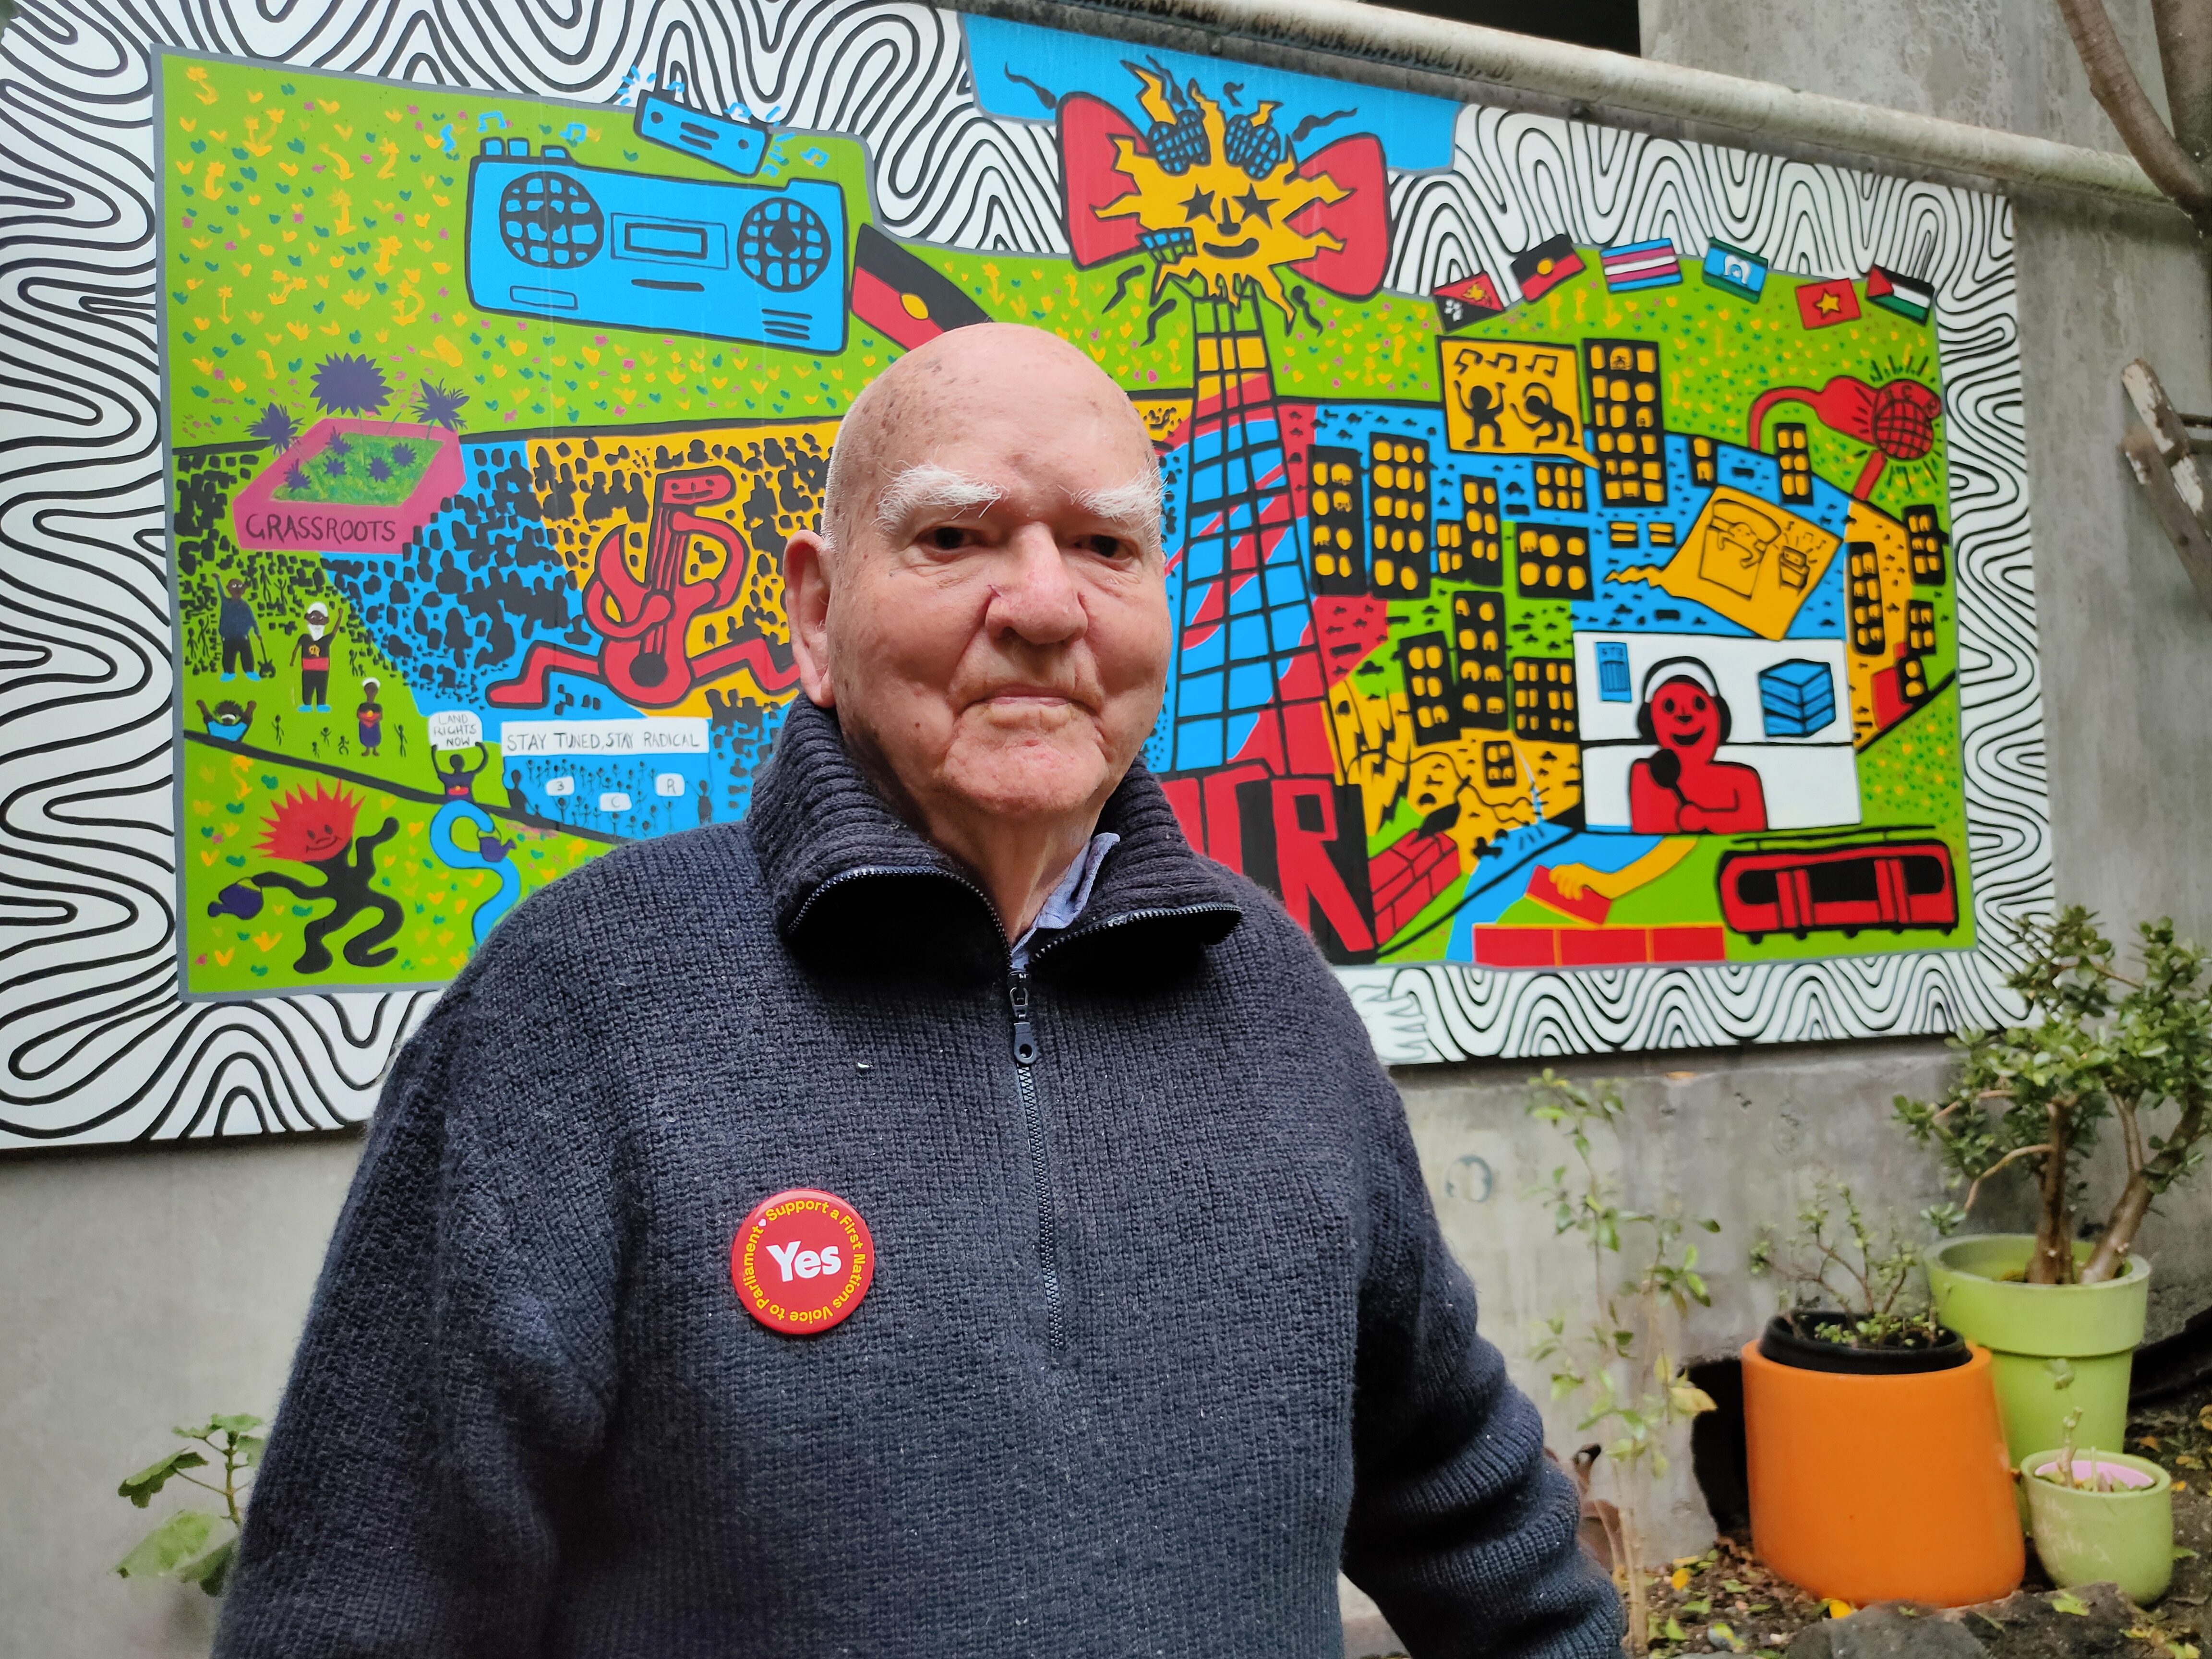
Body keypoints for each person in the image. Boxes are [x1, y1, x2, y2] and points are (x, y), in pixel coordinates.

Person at [217, 325, 1618, 1658]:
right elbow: (365, 1599)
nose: (1045, 604)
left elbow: (1465, 1501)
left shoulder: (1274, 996)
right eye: (954, 538)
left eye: (1105, 546)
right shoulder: (584, 1006)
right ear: (818, 610)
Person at [1626, 659, 1768, 834]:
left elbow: (1755, 823)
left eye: (1699, 705)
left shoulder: (1744, 779)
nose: (1685, 716)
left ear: (1720, 718)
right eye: (1669, 707)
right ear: (1650, 724)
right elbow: (1648, 826)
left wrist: (1705, 818)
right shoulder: (1647, 774)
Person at [291, 601, 337, 713]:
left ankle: (321, 704)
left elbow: (335, 631)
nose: (317, 622)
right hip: (308, 670)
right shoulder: (305, 638)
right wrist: (292, 662)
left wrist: (340, 617)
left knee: (322, 688)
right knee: (307, 688)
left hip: (322, 670)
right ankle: (307, 704)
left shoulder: (326, 640)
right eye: (313, 617)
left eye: (320, 619)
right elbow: (296, 649)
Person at [218, 577, 261, 681]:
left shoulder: (245, 606)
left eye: (239, 586)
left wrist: (257, 632)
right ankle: (229, 672)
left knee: (247, 655)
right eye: (234, 586)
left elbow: (252, 620)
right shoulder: (226, 603)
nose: (237, 589)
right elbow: (220, 593)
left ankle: (250, 671)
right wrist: (218, 581)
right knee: (228, 656)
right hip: (228, 637)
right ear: (228, 588)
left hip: (243, 637)